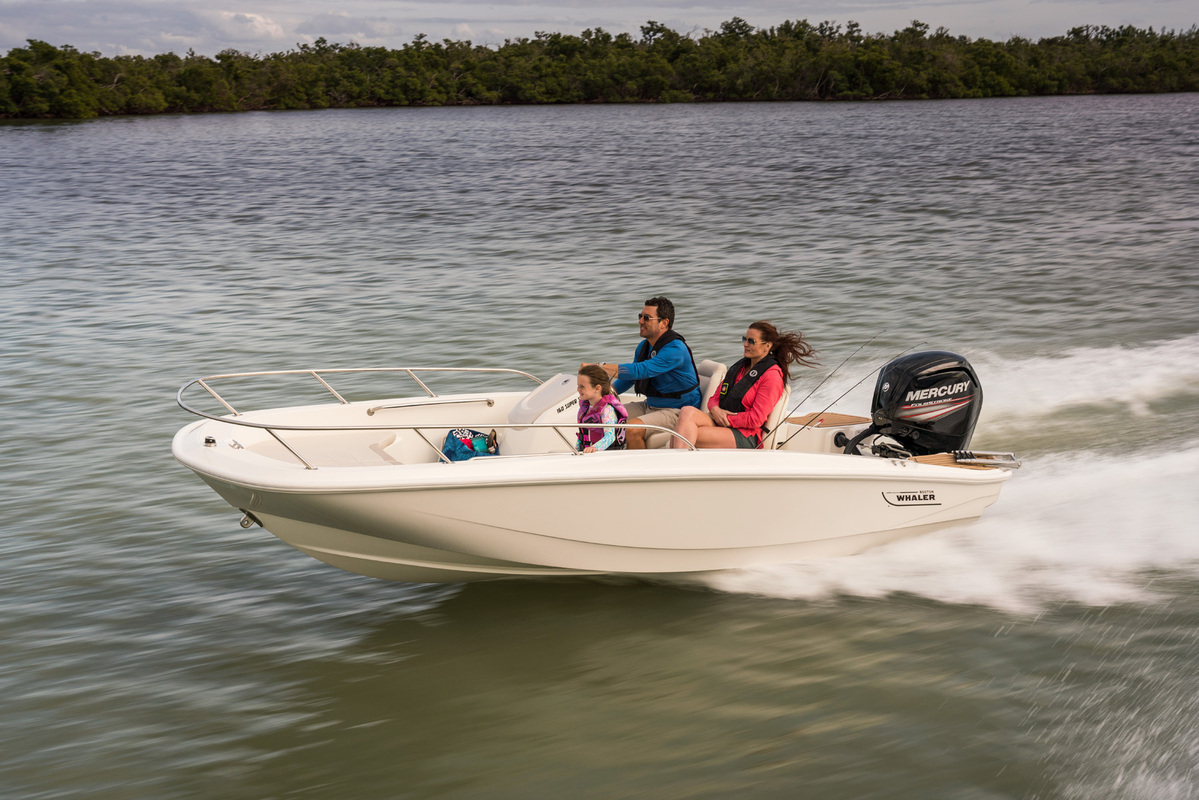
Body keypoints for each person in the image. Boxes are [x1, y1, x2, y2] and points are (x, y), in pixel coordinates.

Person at [671, 321, 817, 449]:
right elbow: (714, 398)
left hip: (746, 434)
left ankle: (678, 467)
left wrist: (726, 419)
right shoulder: (740, 368)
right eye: (744, 339)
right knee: (686, 412)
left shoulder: (771, 376)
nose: (745, 344)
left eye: (751, 341)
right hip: (721, 421)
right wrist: (715, 409)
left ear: (767, 346)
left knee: (685, 434)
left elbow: (756, 419)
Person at [592, 296, 701, 449]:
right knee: (603, 416)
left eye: (647, 318)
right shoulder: (644, 346)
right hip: (651, 404)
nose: (640, 321)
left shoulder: (675, 349)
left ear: (664, 323)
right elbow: (631, 378)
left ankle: (637, 464)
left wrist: (599, 368)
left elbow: (642, 370)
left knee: (632, 429)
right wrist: (605, 394)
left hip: (678, 411)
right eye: (640, 316)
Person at [576, 365, 628, 453]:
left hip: (605, 454)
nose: (578, 389)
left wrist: (594, 448)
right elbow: (582, 434)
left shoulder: (607, 410)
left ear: (597, 388)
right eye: (578, 385)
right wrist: (576, 450)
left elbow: (610, 436)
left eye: (582, 387)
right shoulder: (586, 408)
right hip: (587, 452)